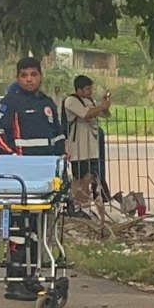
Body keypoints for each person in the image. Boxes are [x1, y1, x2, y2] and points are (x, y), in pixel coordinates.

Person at [0, 58, 67, 301]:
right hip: (18, 177)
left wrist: (60, 161)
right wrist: (10, 158)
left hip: (43, 179)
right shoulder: (11, 101)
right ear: (18, 77)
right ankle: (15, 281)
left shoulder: (48, 104)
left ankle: (31, 278)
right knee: (18, 229)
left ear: (41, 76)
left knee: (37, 230)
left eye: (33, 74)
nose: (29, 79)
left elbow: (58, 136)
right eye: (24, 75)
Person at [62, 74, 112, 209]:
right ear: (78, 90)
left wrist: (104, 106)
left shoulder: (89, 101)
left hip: (92, 147)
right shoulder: (71, 101)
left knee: (89, 177)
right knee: (79, 178)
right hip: (79, 147)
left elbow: (105, 115)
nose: (90, 92)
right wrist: (101, 107)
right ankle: (75, 205)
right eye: (87, 89)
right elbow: (85, 114)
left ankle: (84, 205)